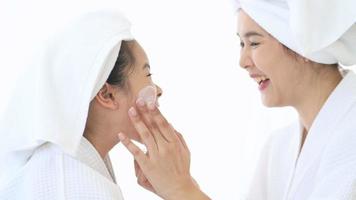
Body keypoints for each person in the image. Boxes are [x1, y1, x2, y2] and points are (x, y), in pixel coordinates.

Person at [118, 0, 356, 199]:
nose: (242, 61)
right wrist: (176, 185)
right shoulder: (278, 149)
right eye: (241, 44)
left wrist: (181, 189)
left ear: (303, 47)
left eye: (254, 43)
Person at [0, 10, 162, 200]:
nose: (158, 89)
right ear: (106, 94)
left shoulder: (65, 168)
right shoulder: (77, 189)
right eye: (148, 75)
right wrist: (181, 188)